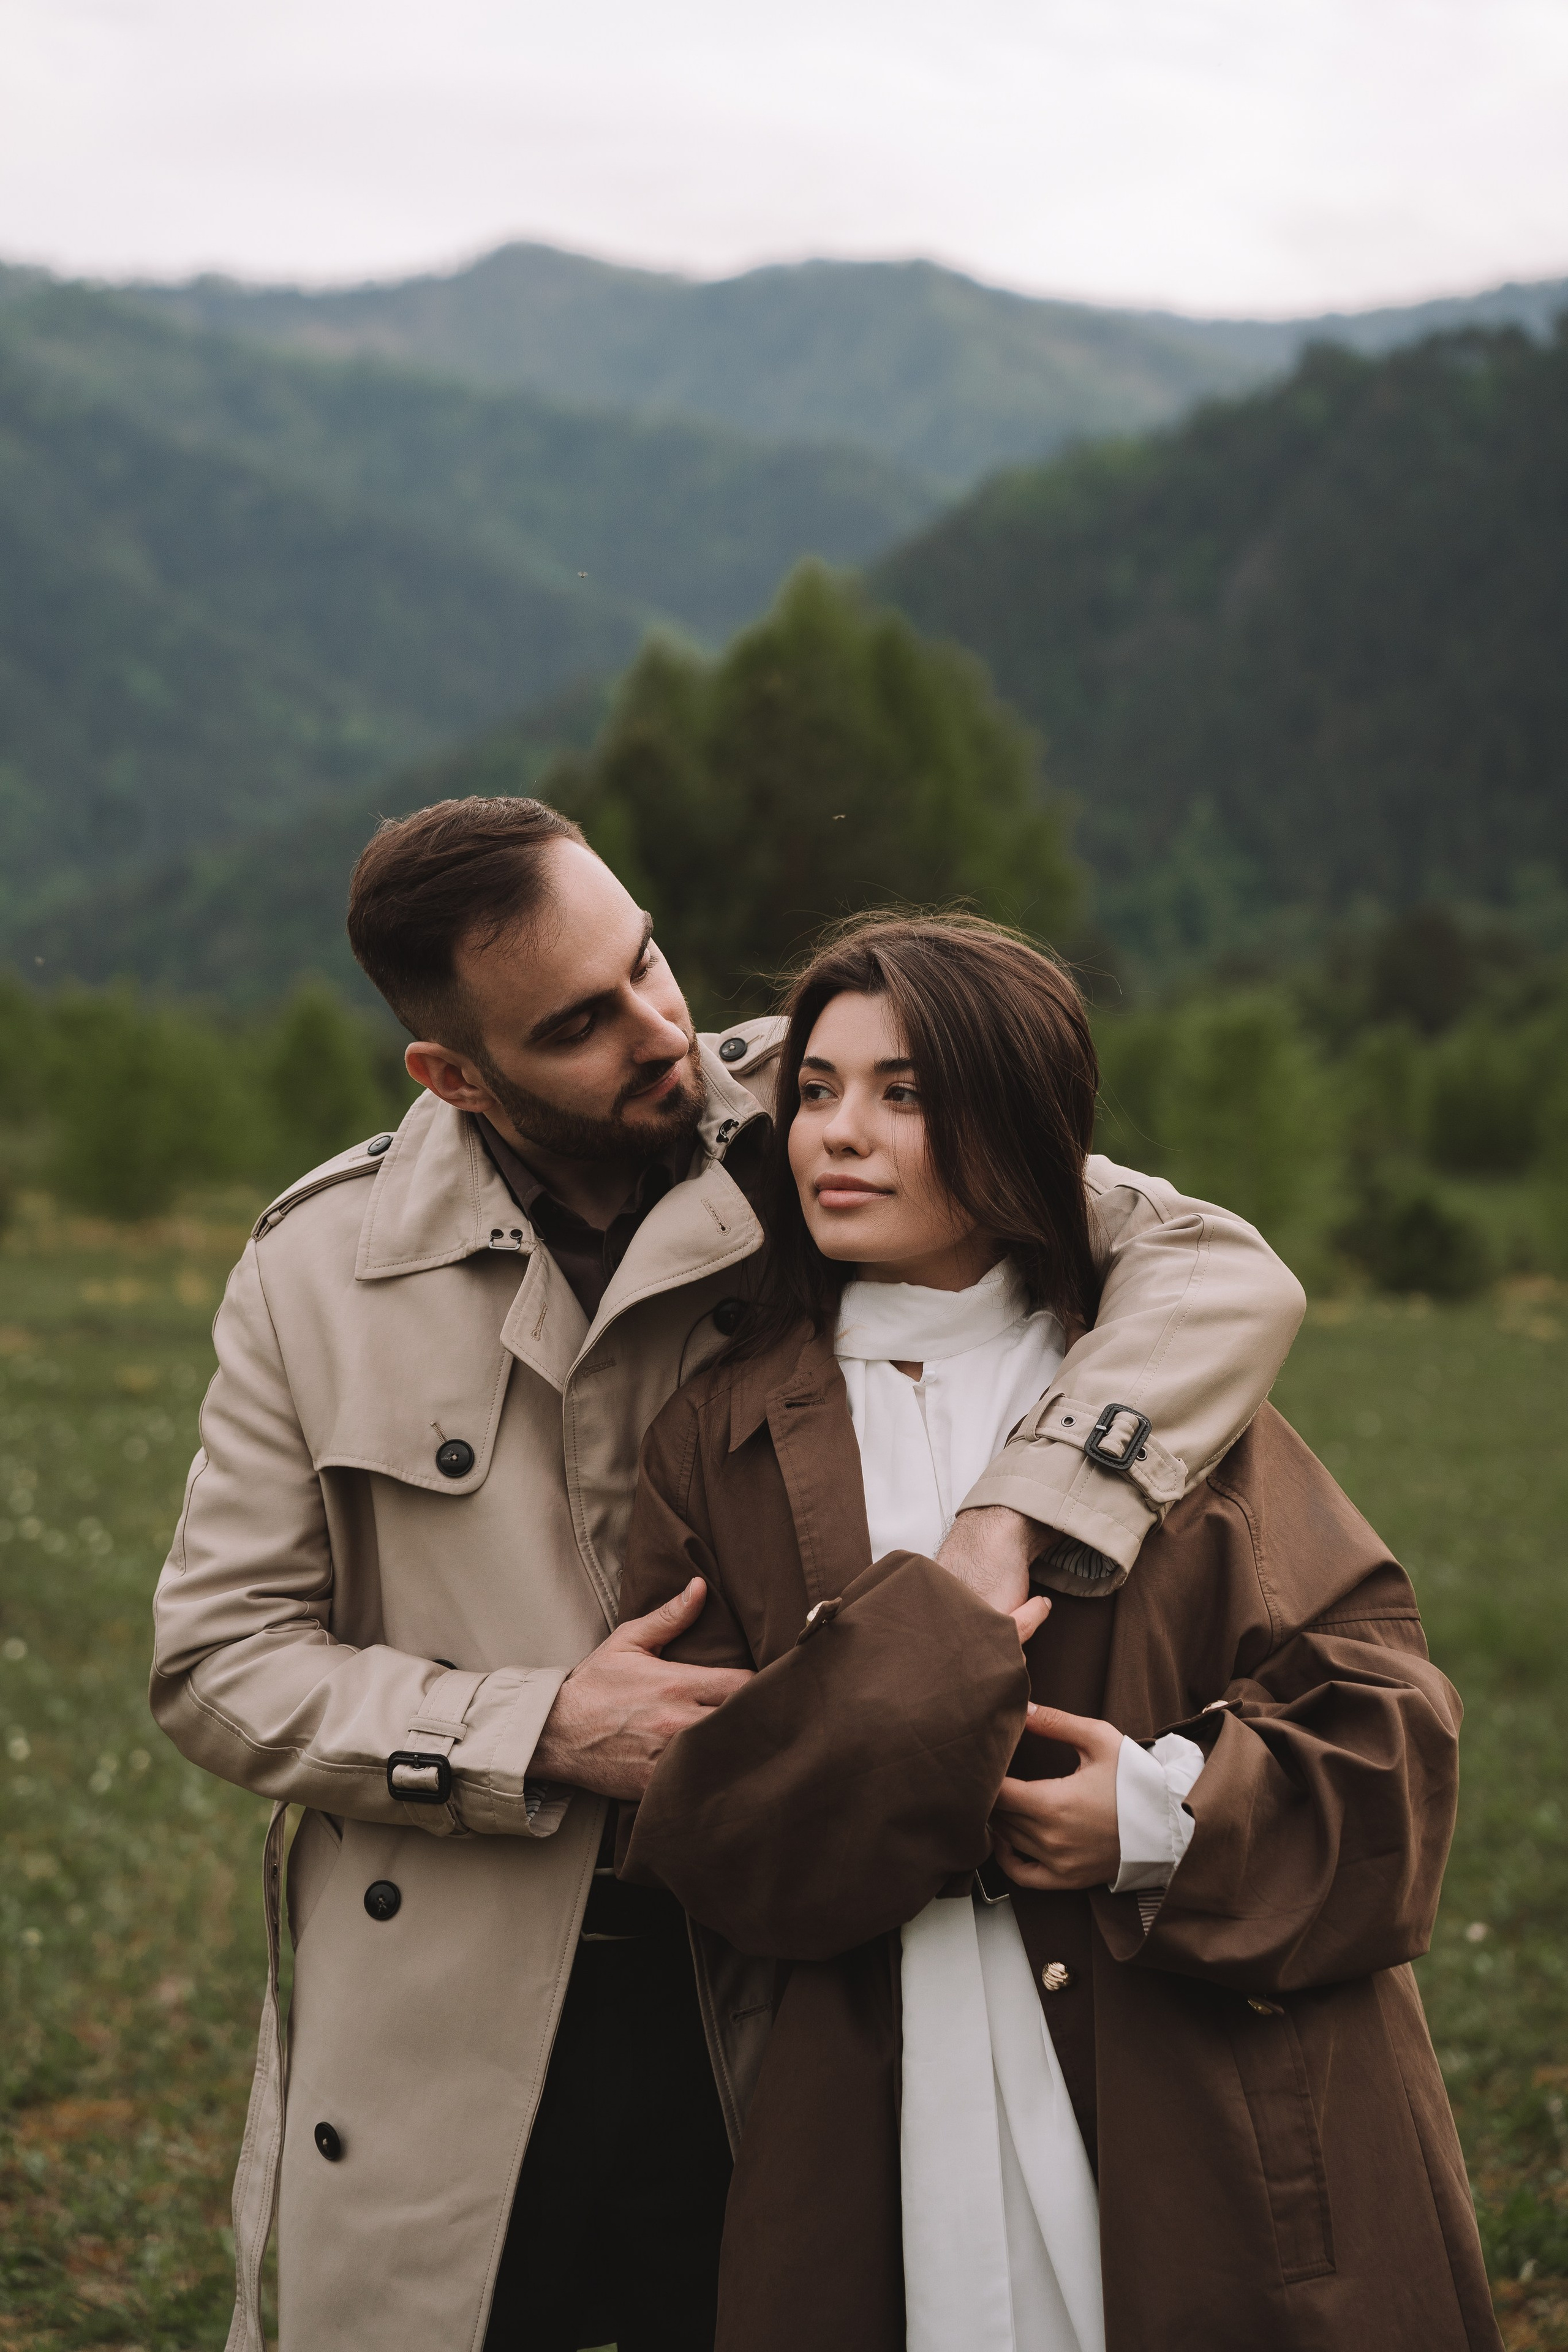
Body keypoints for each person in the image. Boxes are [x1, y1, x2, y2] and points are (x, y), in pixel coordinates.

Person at [149, 801, 1308, 2352]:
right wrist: (540, 1726)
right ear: (452, 1074)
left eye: (647, 961)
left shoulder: (817, 1117)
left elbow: (1217, 1270)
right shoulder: (314, 1272)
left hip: (787, 1977)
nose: (662, 1034)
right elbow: (216, 1662)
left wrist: (1007, 1516)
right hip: (458, 1998)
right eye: (579, 1023)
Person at [617, 913, 1499, 2352]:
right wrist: (917, 1668)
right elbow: (705, 1825)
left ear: (1015, 1122)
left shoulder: (1169, 1398)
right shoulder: (712, 1439)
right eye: (818, 1091)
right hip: (872, 2086)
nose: (838, 1133)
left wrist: (1154, 1821)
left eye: (904, 1094)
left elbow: (1388, 1736)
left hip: (1187, 2078)